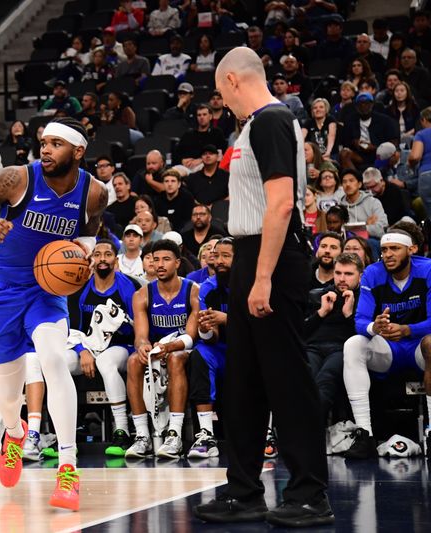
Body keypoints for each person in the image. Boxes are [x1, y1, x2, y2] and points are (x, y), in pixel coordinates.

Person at [194, 47, 332, 527]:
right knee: (244, 382)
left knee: (287, 379)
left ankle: (310, 493)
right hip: (252, 253)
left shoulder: (272, 120)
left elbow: (280, 205)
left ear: (233, 80)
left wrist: (263, 278)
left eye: (219, 92)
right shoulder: (257, 124)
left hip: (271, 256)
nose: (221, 102)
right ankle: (244, 491)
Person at [0, 117, 108, 511]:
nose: (45, 149)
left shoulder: (95, 192)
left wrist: (85, 252)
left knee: (55, 361)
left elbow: (91, 227)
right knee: (8, 393)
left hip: (48, 291)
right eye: (44, 142)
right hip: (3, 291)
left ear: (78, 152)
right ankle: (14, 432)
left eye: (56, 144)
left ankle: (68, 469)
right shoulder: (16, 179)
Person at [343, 230, 431, 459]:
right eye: (384, 249)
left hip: (419, 346)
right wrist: (376, 327)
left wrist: (408, 329)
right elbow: (360, 320)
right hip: (388, 348)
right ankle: (365, 435)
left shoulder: (428, 270)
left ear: (411, 249)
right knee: (353, 345)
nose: (388, 254)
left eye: (394, 249)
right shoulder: (373, 273)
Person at [124, 239, 199, 459]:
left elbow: (191, 337)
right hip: (157, 350)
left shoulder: (193, 291)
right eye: (156, 259)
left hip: (183, 348)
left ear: (177, 263)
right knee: (132, 362)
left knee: (176, 358)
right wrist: (143, 346)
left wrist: (169, 346)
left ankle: (174, 434)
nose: (160, 264)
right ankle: (142, 436)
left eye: (166, 259)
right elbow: (140, 336)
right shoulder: (142, 294)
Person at [66, 240, 140, 456]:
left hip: (122, 347)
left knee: (106, 361)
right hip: (89, 348)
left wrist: (121, 324)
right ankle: (66, 435)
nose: (102, 259)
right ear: (91, 261)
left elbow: (138, 327)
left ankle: (122, 431)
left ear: (116, 261)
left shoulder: (129, 286)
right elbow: (73, 329)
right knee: (60, 363)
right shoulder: (80, 290)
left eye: (107, 255)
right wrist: (82, 350)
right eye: (97, 255)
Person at [188, 237, 233, 458]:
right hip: (220, 349)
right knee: (199, 354)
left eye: (227, 256)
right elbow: (210, 338)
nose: (220, 260)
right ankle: (206, 433)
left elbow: (261, 327)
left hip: (246, 347)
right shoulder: (207, 288)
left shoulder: (251, 284)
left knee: (267, 354)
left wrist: (226, 319)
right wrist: (205, 329)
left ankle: (266, 432)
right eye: (217, 255)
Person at [305, 253, 361, 421]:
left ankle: (310, 430)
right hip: (313, 348)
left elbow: (365, 337)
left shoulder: (365, 298)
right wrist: (321, 313)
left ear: (360, 275)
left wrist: (349, 315)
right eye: (338, 273)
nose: (342, 278)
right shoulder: (318, 295)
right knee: (306, 380)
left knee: (325, 379)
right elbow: (301, 332)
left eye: (348, 274)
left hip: (342, 349)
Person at [339, 93, 400, 170]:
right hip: (359, 155)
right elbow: (345, 142)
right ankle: (355, 178)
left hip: (379, 154)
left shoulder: (385, 120)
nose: (363, 106)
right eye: (360, 103)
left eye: (367, 103)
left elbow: (393, 142)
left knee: (394, 155)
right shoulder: (350, 120)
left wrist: (374, 147)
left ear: (372, 104)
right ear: (356, 106)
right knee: (344, 154)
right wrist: (354, 142)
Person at [338, 168, 389, 239]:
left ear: (359, 184)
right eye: (344, 182)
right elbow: (337, 230)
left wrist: (355, 230)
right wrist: (365, 226)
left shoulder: (373, 202)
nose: (348, 184)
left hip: (369, 241)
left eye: (351, 181)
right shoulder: (339, 206)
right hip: (346, 242)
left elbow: (381, 229)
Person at [175, 105, 228, 172]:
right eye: (199, 115)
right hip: (186, 166)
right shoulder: (188, 134)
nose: (201, 117)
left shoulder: (217, 133)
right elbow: (177, 153)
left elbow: (220, 153)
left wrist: (201, 160)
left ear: (210, 116)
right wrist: (182, 160)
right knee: (173, 172)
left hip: (205, 165)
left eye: (204, 114)